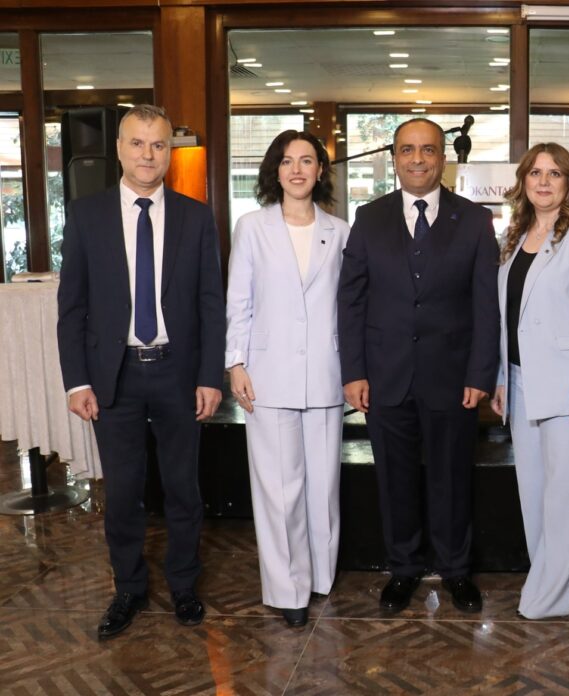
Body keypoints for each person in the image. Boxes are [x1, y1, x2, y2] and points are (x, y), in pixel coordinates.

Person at [56, 104, 224, 639]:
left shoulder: (196, 217)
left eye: (158, 145)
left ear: (169, 152)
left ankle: (183, 585)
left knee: (183, 488)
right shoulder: (87, 215)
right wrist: (77, 380)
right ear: (119, 150)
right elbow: (72, 308)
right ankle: (128, 588)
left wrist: (210, 376)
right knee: (124, 492)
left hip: (179, 373)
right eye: (137, 143)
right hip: (115, 377)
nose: (147, 154)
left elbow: (211, 304)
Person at [337, 118, 499, 614]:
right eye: (407, 150)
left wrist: (480, 374)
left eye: (428, 150)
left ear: (442, 158)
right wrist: (353, 371)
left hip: (453, 377)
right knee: (395, 479)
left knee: (452, 478)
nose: (417, 159)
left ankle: (456, 569)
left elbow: (486, 304)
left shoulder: (474, 220)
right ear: (394, 158)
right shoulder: (369, 217)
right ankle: (403, 567)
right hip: (384, 375)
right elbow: (351, 300)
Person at [225, 130, 350, 627]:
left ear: (320, 171)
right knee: (280, 488)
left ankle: (319, 578)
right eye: (286, 161)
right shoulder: (252, 227)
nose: (297, 169)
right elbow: (239, 300)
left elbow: (350, 306)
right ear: (274, 171)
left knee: (323, 486)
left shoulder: (341, 231)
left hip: (326, 372)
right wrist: (236, 363)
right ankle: (288, 589)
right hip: (267, 374)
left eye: (307, 160)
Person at [489, 143, 569, 619]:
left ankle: (554, 597)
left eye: (555, 173)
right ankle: (544, 582)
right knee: (536, 493)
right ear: (523, 181)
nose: (544, 182)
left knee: (568, 496)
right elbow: (509, 318)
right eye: (536, 173)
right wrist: (502, 378)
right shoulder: (517, 235)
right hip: (522, 381)